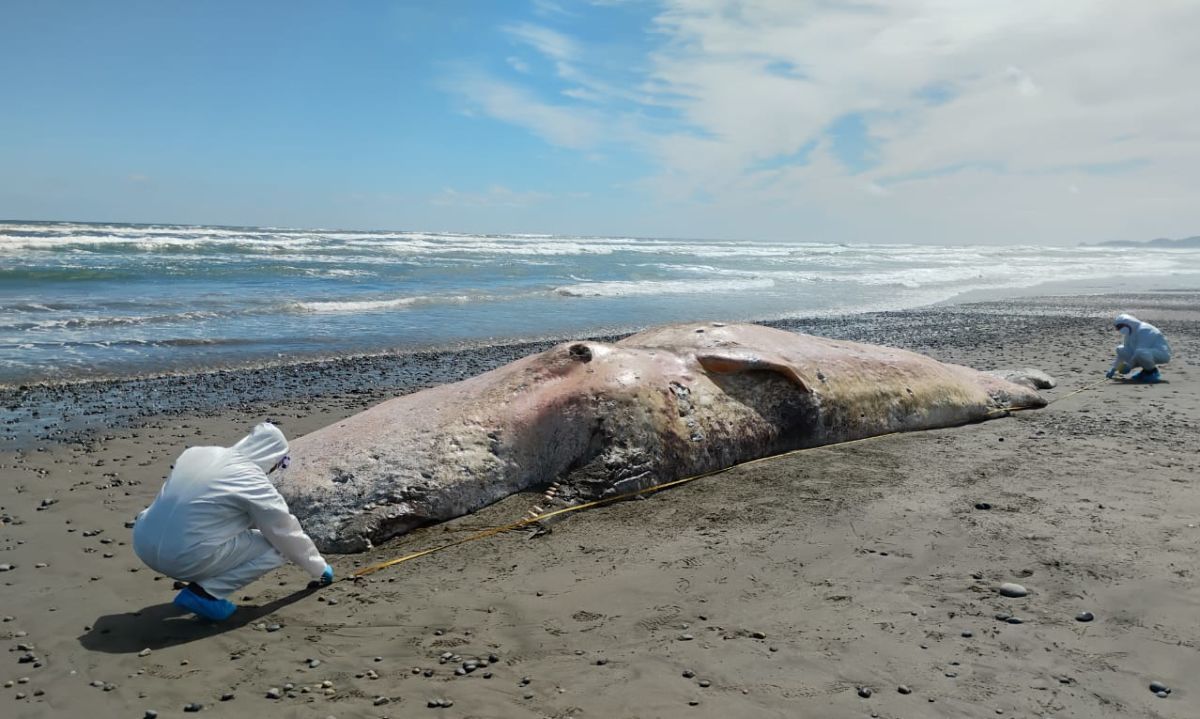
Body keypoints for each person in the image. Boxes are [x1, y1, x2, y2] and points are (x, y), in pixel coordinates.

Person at [132, 422, 333, 621]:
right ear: (272, 458)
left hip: (142, 541)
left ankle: (202, 574)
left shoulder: (197, 454)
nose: (277, 469)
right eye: (281, 463)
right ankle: (206, 594)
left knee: (211, 527)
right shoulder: (251, 479)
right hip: (181, 557)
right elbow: (284, 531)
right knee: (278, 547)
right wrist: (319, 568)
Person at [1106, 313, 1171, 383]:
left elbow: (1140, 350)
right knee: (1120, 349)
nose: (1118, 330)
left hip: (1161, 353)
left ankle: (1151, 372)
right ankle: (1145, 371)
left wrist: (1129, 366)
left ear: (1128, 323)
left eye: (1119, 327)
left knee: (1141, 353)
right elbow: (1124, 352)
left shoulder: (1145, 330)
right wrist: (1114, 368)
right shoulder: (1129, 333)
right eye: (1117, 328)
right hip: (1143, 353)